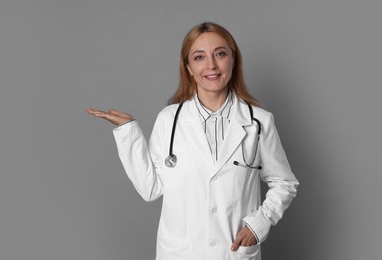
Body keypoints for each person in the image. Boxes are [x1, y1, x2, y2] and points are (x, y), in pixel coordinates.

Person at [86, 22, 299, 260]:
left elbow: (284, 182)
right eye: (199, 57)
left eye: (220, 54)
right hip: (181, 253)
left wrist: (259, 223)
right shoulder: (169, 120)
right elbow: (150, 188)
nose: (211, 65)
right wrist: (128, 132)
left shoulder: (259, 122)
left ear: (233, 59)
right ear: (188, 67)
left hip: (232, 252)